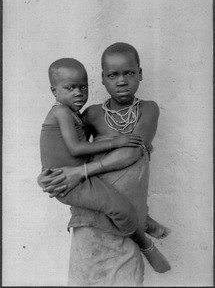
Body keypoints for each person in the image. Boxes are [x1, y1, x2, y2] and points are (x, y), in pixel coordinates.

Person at [38, 43, 171, 286]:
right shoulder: (90, 114)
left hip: (127, 220)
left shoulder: (147, 109)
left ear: (140, 73)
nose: (121, 81)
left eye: (129, 73)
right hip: (91, 218)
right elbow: (71, 152)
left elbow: (131, 153)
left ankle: (145, 231)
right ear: (102, 78)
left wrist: (79, 172)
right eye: (113, 75)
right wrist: (47, 176)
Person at [40, 57, 144, 236]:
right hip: (67, 183)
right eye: (69, 88)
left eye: (83, 87)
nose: (78, 93)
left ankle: (140, 222)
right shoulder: (61, 112)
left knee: (121, 202)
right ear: (54, 91)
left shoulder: (73, 114)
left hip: (79, 177)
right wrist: (115, 142)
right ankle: (139, 239)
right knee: (122, 211)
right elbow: (76, 149)